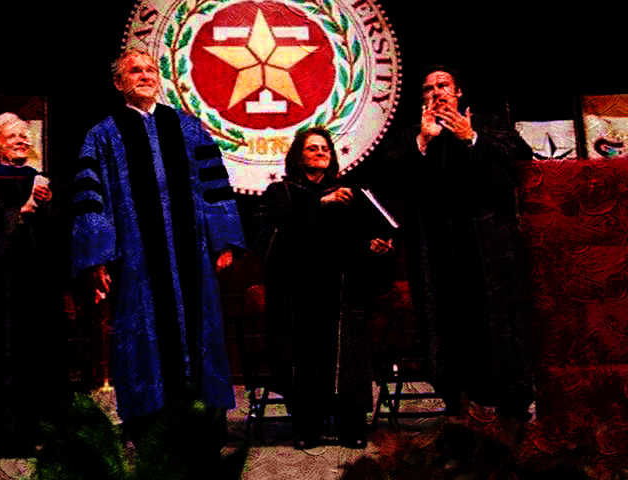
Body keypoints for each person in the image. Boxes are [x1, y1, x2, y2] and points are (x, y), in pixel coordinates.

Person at [71, 49, 245, 473]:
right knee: (141, 338)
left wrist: (223, 241)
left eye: (150, 69)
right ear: (119, 83)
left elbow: (215, 185)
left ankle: (204, 431)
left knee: (202, 336)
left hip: (193, 259)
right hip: (137, 262)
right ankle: (149, 433)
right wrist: (98, 257)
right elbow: (92, 199)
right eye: (135, 70)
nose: (145, 75)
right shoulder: (102, 135)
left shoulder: (188, 128)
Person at [380, 66, 534, 426]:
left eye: (443, 85)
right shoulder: (410, 136)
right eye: (428, 88)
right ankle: (457, 405)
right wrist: (422, 142)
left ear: (458, 92)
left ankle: (510, 405)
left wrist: (470, 137)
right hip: (436, 249)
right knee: (444, 325)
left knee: (497, 323)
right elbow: (390, 183)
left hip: (487, 247)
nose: (436, 92)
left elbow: (519, 159)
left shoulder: (487, 124)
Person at [257, 127, 394, 448]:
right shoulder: (281, 192)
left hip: (344, 289)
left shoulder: (349, 193)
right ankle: (307, 428)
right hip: (299, 291)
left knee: (349, 360)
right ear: (298, 156)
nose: (320, 152)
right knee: (305, 359)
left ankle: (351, 427)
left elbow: (362, 239)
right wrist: (319, 203)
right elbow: (274, 237)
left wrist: (375, 246)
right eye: (312, 148)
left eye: (325, 149)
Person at [0, 112, 64, 458]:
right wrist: (22, 210)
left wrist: (48, 205)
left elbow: (54, 233)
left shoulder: (40, 179)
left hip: (36, 280)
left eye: (25, 135)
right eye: (13, 136)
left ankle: (36, 433)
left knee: (36, 353)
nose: (22, 140)